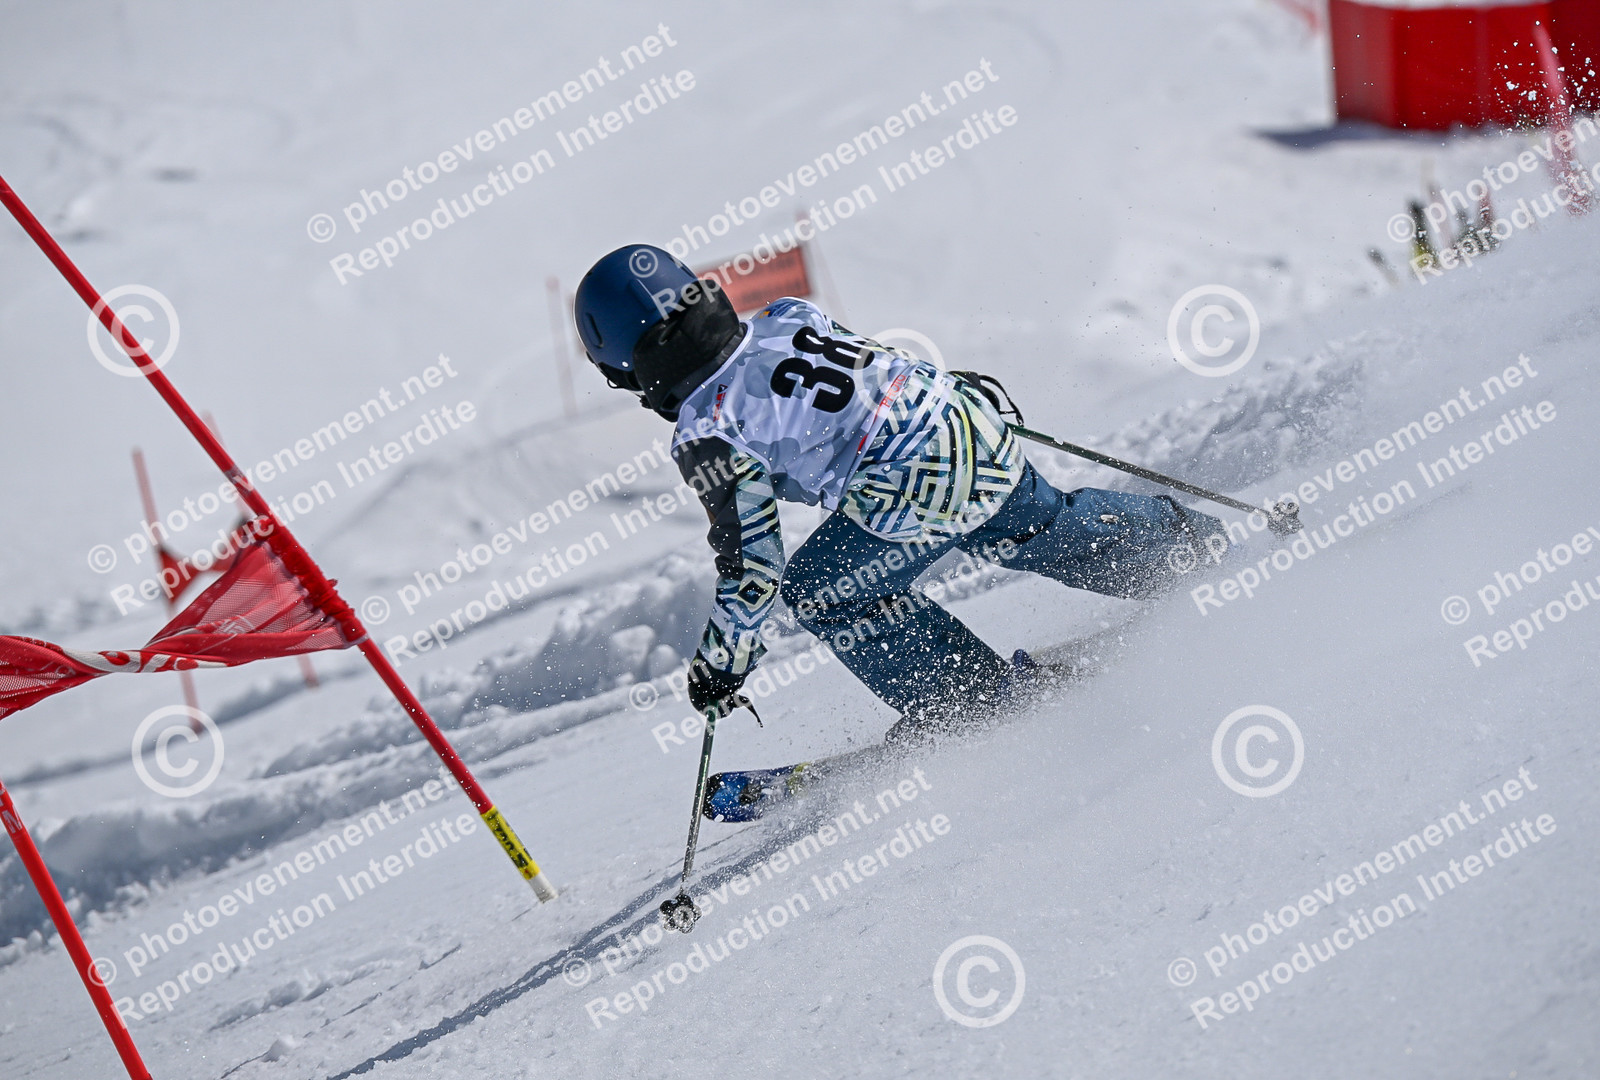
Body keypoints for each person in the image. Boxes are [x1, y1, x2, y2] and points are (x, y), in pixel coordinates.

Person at [573, 244, 1226, 739]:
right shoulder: (784, 316)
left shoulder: (706, 429)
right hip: (962, 418)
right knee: (1033, 525)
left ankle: (971, 702)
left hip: (912, 480)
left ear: (627, 367)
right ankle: (1185, 547)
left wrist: (724, 662)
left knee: (824, 590)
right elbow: (860, 377)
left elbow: (753, 562)